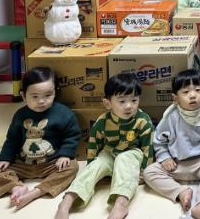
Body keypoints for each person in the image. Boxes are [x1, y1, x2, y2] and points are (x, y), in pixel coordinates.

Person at [55, 73, 154, 219]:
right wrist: (92, 165)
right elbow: (93, 145)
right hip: (109, 153)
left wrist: (143, 172)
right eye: (122, 101)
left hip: (132, 153)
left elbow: (148, 148)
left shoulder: (143, 121)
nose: (129, 106)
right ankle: (67, 201)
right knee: (97, 164)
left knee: (125, 158)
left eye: (134, 100)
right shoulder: (102, 122)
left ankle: (121, 203)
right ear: (108, 104)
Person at [0, 67, 80, 210]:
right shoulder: (20, 115)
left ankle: (36, 192)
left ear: (55, 92)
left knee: (72, 167)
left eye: (48, 95)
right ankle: (16, 188)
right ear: (23, 96)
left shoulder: (64, 113)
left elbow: (72, 135)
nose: (41, 101)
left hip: (51, 163)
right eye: (35, 96)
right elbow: (12, 139)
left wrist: (65, 155)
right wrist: (4, 159)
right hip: (23, 163)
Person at [143, 69, 200, 219]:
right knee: (149, 172)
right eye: (185, 92)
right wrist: (165, 157)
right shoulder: (170, 116)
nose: (192, 95)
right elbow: (159, 140)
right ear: (175, 98)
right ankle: (181, 192)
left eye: (198, 90)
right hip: (177, 163)